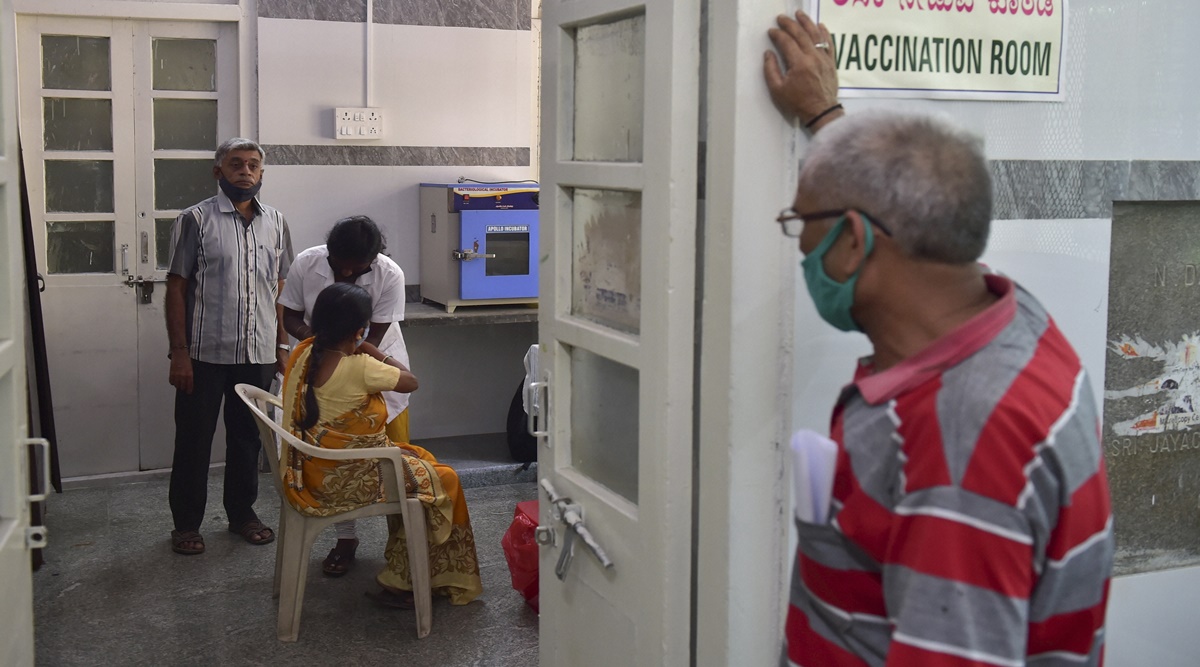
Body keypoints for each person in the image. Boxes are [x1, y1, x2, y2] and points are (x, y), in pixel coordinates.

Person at [764, 12, 1114, 666]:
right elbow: (900, 211)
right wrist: (826, 117)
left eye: (799, 223)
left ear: (850, 243)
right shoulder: (1005, 317)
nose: (799, 244)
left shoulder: (960, 445)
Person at [281, 282, 482, 606]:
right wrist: (373, 349)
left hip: (308, 470)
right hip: (348, 480)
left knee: (418, 465)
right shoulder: (360, 366)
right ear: (359, 330)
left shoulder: (302, 352)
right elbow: (410, 382)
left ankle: (407, 572)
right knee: (444, 479)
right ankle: (412, 580)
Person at [165, 137, 294, 555]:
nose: (246, 171)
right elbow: (177, 288)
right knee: (194, 439)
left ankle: (242, 515)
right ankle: (186, 524)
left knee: (247, 439)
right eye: (236, 164)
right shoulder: (195, 220)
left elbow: (278, 289)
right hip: (203, 354)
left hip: (256, 352)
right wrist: (179, 352)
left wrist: (281, 346)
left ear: (262, 173)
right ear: (218, 172)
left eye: (253, 165)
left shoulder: (276, 221)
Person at [278, 215, 412, 576]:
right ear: (330, 253)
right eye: (341, 265)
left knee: (394, 461)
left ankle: (401, 545)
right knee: (332, 463)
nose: (349, 271)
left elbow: (377, 333)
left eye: (359, 267)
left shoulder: (390, 275)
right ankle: (346, 539)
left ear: (374, 258)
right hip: (325, 365)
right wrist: (316, 340)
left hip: (370, 364)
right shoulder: (308, 262)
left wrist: (341, 349)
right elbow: (288, 315)